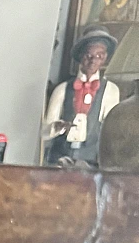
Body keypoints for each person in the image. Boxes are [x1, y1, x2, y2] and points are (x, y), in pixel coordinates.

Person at [44, 28, 121, 168]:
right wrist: (57, 127)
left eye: (99, 56)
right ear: (80, 56)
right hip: (60, 156)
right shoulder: (62, 89)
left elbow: (111, 131)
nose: (93, 61)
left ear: (105, 58)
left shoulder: (111, 91)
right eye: (88, 55)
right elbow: (44, 132)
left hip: (91, 159)